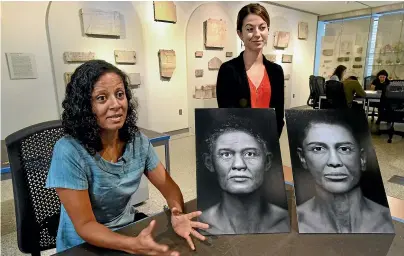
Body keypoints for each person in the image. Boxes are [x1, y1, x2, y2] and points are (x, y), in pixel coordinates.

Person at [45, 60, 209, 255]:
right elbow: (85, 225)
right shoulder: (69, 151)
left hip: (126, 230)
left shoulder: (137, 141)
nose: (116, 105)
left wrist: (177, 214)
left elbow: (169, 187)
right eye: (102, 98)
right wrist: (133, 245)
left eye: (120, 94)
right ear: (85, 106)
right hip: (82, 245)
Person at [295, 116, 394, 233]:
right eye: (318, 148)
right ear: (302, 158)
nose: (334, 161)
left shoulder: (385, 221)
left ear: (362, 158)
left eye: (345, 149)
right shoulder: (299, 221)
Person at [199, 115, 290, 235]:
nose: (239, 165)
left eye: (250, 154)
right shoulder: (202, 223)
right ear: (209, 162)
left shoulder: (284, 221)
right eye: (226, 154)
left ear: (267, 161)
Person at [215, 3, 285, 137]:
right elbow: (226, 116)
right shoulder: (228, 70)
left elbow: (278, 115)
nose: (257, 34)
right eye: (250, 29)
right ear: (240, 34)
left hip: (268, 143)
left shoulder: (276, 71)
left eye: (262, 28)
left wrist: (271, 142)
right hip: (239, 145)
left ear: (268, 30)